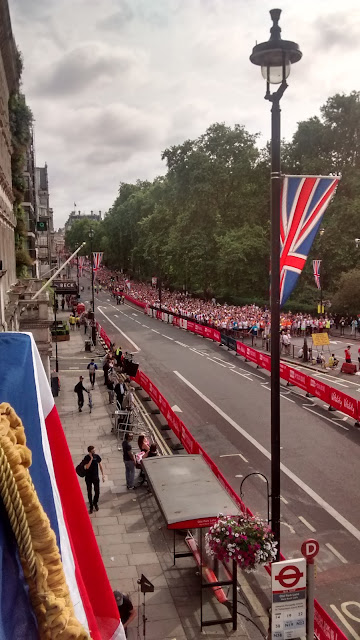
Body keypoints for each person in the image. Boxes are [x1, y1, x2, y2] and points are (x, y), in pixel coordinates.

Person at [83, 445, 104, 514]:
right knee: (89, 492)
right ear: (89, 452)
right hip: (88, 477)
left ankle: (95, 502)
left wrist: (103, 474)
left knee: (97, 492)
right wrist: (91, 459)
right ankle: (91, 506)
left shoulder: (97, 456)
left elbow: (100, 465)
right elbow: (87, 467)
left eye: (94, 451)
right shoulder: (86, 458)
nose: (94, 452)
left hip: (95, 477)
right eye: (92, 451)